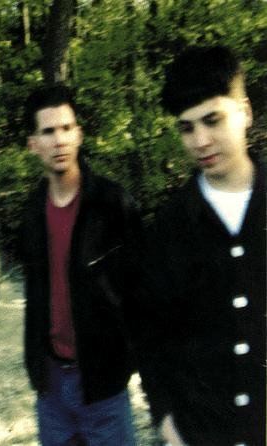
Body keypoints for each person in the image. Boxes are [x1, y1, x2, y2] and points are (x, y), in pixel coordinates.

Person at [138, 45, 266, 446]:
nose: (201, 141)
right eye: (187, 128)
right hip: (203, 434)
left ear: (245, 112)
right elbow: (151, 337)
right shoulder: (170, 226)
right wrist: (166, 423)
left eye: (213, 120)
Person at [20, 84, 141, 445]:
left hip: (103, 385)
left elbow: (140, 292)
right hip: (52, 388)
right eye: (48, 131)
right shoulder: (31, 212)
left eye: (66, 128)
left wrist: (122, 363)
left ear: (79, 134)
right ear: (33, 144)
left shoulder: (112, 204)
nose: (59, 140)